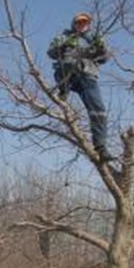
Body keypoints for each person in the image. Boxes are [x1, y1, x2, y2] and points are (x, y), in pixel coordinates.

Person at [47, 12, 114, 162]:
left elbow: (104, 59)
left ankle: (101, 147)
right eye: (79, 22)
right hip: (67, 73)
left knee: (99, 110)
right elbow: (51, 53)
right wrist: (64, 45)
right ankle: (64, 90)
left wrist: (101, 48)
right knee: (68, 64)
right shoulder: (64, 36)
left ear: (88, 24)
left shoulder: (93, 38)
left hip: (88, 75)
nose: (81, 25)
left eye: (84, 22)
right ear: (74, 23)